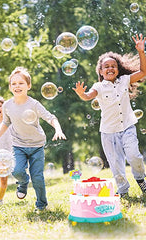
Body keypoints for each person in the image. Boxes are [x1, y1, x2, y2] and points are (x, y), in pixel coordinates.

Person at [73, 34, 146, 198]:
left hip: (127, 126)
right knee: (116, 165)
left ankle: (141, 180)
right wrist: (81, 93)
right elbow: (88, 96)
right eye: (106, 66)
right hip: (108, 132)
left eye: (113, 66)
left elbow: (143, 71)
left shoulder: (125, 80)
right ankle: (123, 191)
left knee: (134, 155)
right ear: (100, 71)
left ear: (118, 69)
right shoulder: (98, 86)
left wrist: (141, 51)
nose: (110, 68)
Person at [0, 67, 66, 211]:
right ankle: (23, 182)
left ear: (28, 86)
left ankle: (41, 204)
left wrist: (58, 129)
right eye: (14, 83)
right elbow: (6, 122)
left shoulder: (34, 104)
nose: (17, 86)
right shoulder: (7, 105)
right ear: (10, 87)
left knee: (38, 178)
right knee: (16, 171)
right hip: (18, 145)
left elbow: (50, 117)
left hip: (36, 146)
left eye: (21, 83)